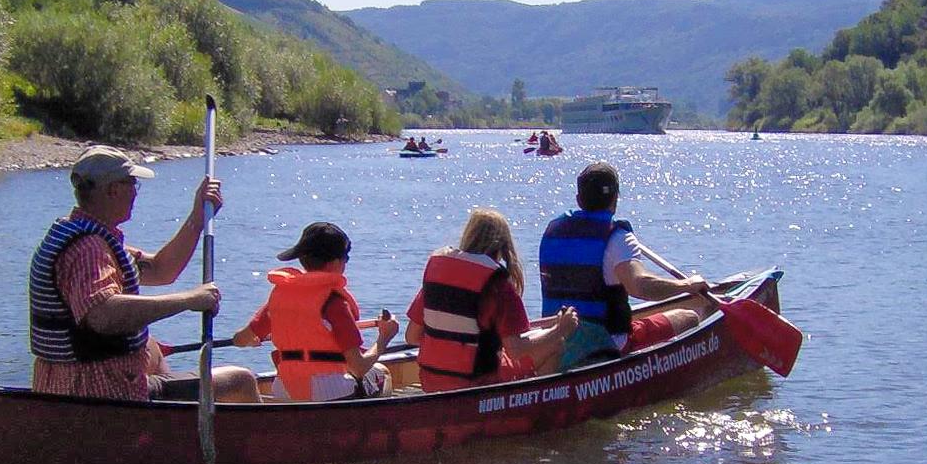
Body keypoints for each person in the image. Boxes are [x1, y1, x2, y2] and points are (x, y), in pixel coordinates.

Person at [29, 145, 260, 403]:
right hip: (101, 393)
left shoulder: (81, 234)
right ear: (113, 190)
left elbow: (162, 270)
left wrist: (198, 216)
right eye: (133, 184)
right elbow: (102, 314)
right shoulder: (89, 249)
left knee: (155, 355)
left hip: (66, 386)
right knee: (242, 379)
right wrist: (189, 300)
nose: (135, 193)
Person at [539, 161, 712, 369]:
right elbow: (640, 286)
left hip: (555, 342)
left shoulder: (552, 230)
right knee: (689, 317)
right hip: (605, 344)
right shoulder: (618, 238)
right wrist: (688, 285)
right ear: (615, 199)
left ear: (579, 199)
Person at [406, 207, 579, 393]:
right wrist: (561, 329)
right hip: (476, 384)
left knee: (531, 337)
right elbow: (515, 350)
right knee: (556, 344)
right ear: (504, 248)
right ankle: (532, 409)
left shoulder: (439, 275)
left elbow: (412, 336)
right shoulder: (498, 283)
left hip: (430, 381)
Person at [231, 221, 400, 401]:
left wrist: (255, 339)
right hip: (329, 391)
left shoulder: (280, 296)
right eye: (346, 258)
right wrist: (384, 338)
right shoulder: (335, 303)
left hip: (284, 389)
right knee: (382, 373)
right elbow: (358, 367)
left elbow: (240, 340)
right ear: (335, 262)